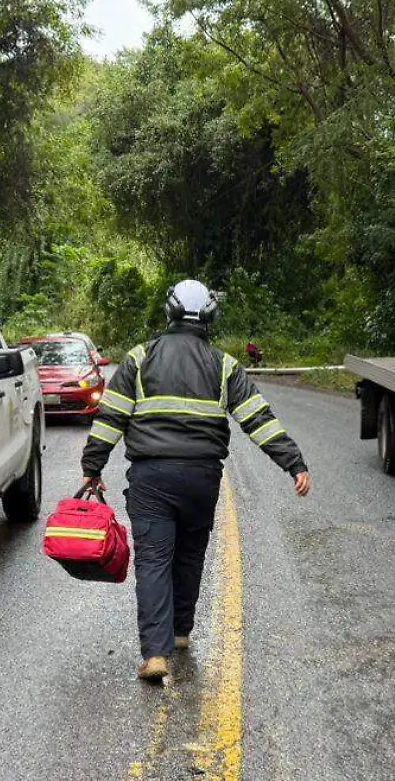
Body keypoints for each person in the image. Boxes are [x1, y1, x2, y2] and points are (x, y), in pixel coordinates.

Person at [81, 279, 310, 683]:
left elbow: (111, 417)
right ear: (210, 317)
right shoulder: (224, 366)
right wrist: (293, 463)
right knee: (189, 554)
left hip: (151, 478)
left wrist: (92, 466)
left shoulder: (138, 359)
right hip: (201, 479)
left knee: (153, 560)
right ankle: (181, 632)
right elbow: (258, 419)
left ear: (168, 313)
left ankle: (155, 653)